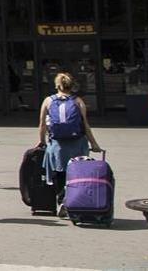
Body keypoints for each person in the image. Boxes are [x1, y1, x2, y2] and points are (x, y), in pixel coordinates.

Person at [38, 72, 102, 218]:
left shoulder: (48, 101)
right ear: (71, 85)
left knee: (59, 174)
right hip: (77, 143)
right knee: (78, 175)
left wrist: (42, 141)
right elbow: (85, 125)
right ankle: (76, 202)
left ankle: (61, 200)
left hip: (57, 145)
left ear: (57, 85)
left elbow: (42, 124)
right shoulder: (78, 101)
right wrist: (94, 143)